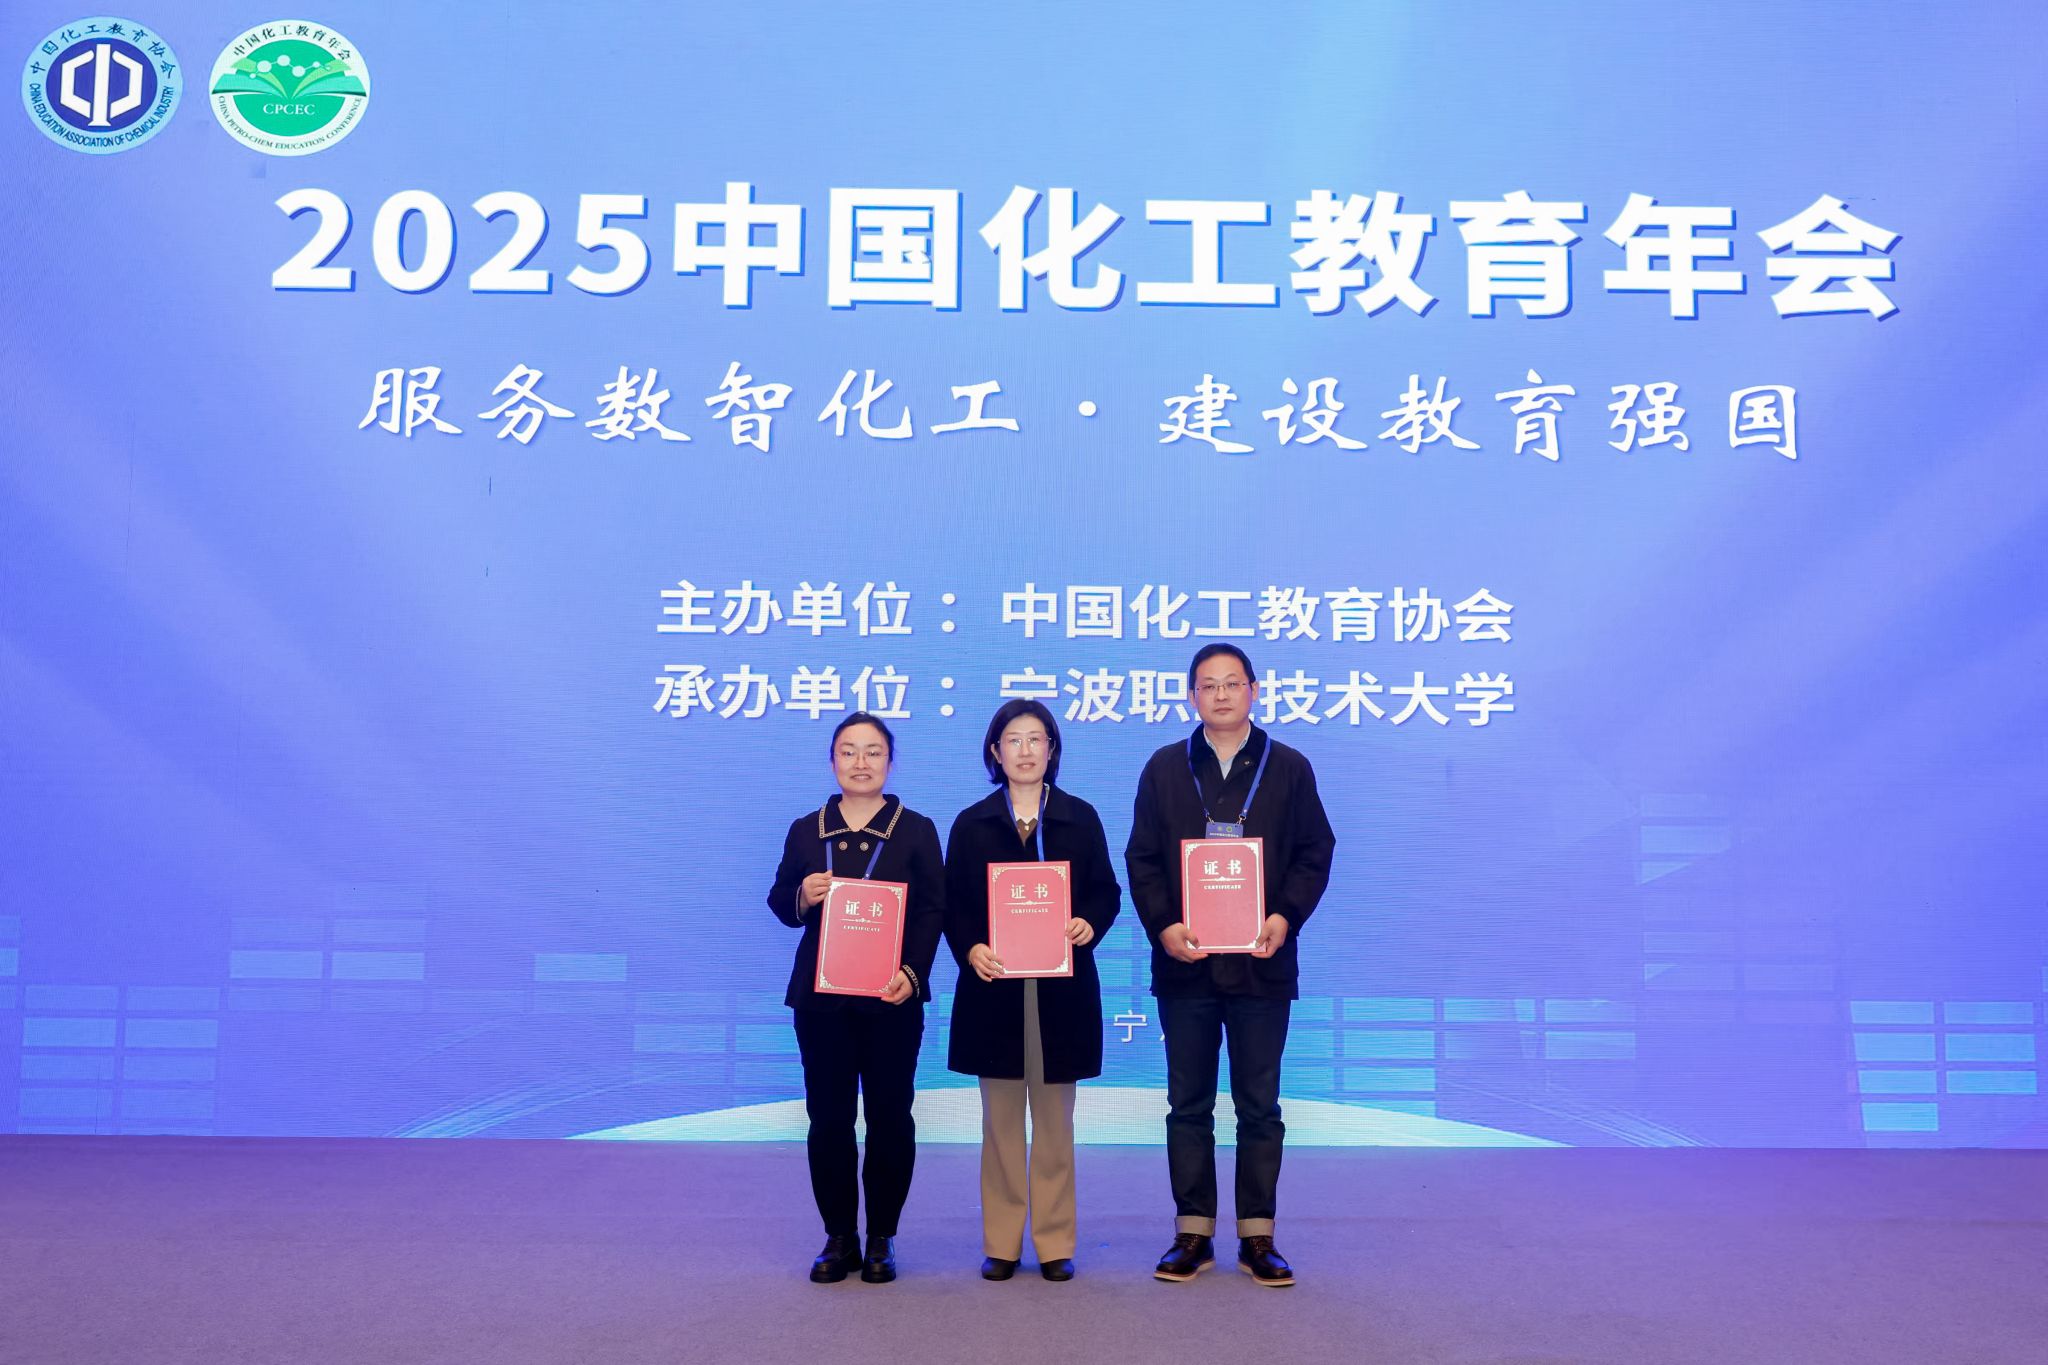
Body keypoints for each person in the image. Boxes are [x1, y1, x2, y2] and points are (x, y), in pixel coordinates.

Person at [1125, 644, 1335, 1288]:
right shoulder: (1164, 767)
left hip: (1261, 964)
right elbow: (1142, 858)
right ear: (1192, 696)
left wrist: (1285, 916)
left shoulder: (1289, 766)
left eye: (1232, 683)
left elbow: (1315, 851)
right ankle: (1192, 1232)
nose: (1220, 695)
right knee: (1187, 1104)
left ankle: (1257, 1236)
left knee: (1259, 1105)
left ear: (1254, 691)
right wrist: (1164, 925)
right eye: (1208, 685)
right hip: (1185, 964)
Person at [943, 700, 1122, 1283]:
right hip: (993, 990)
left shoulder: (1078, 817)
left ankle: (1053, 1242)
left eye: (1036, 739)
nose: (1025, 750)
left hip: (1060, 993)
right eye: (1013, 740)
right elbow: (952, 904)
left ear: (1052, 749)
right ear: (995, 752)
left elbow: (1106, 891)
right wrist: (971, 947)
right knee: (999, 1126)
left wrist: (1089, 923)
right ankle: (1000, 1241)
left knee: (1054, 1126)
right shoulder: (972, 823)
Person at [768, 712, 944, 1285]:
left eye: (873, 752)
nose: (861, 762)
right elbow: (779, 902)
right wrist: (802, 894)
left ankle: (882, 1237)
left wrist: (913, 973)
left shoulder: (916, 829)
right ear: (832, 761)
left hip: (892, 999)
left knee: (891, 1117)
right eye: (848, 751)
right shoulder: (806, 829)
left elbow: (932, 910)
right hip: (821, 1003)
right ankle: (839, 1236)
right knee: (829, 1119)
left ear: (890, 762)